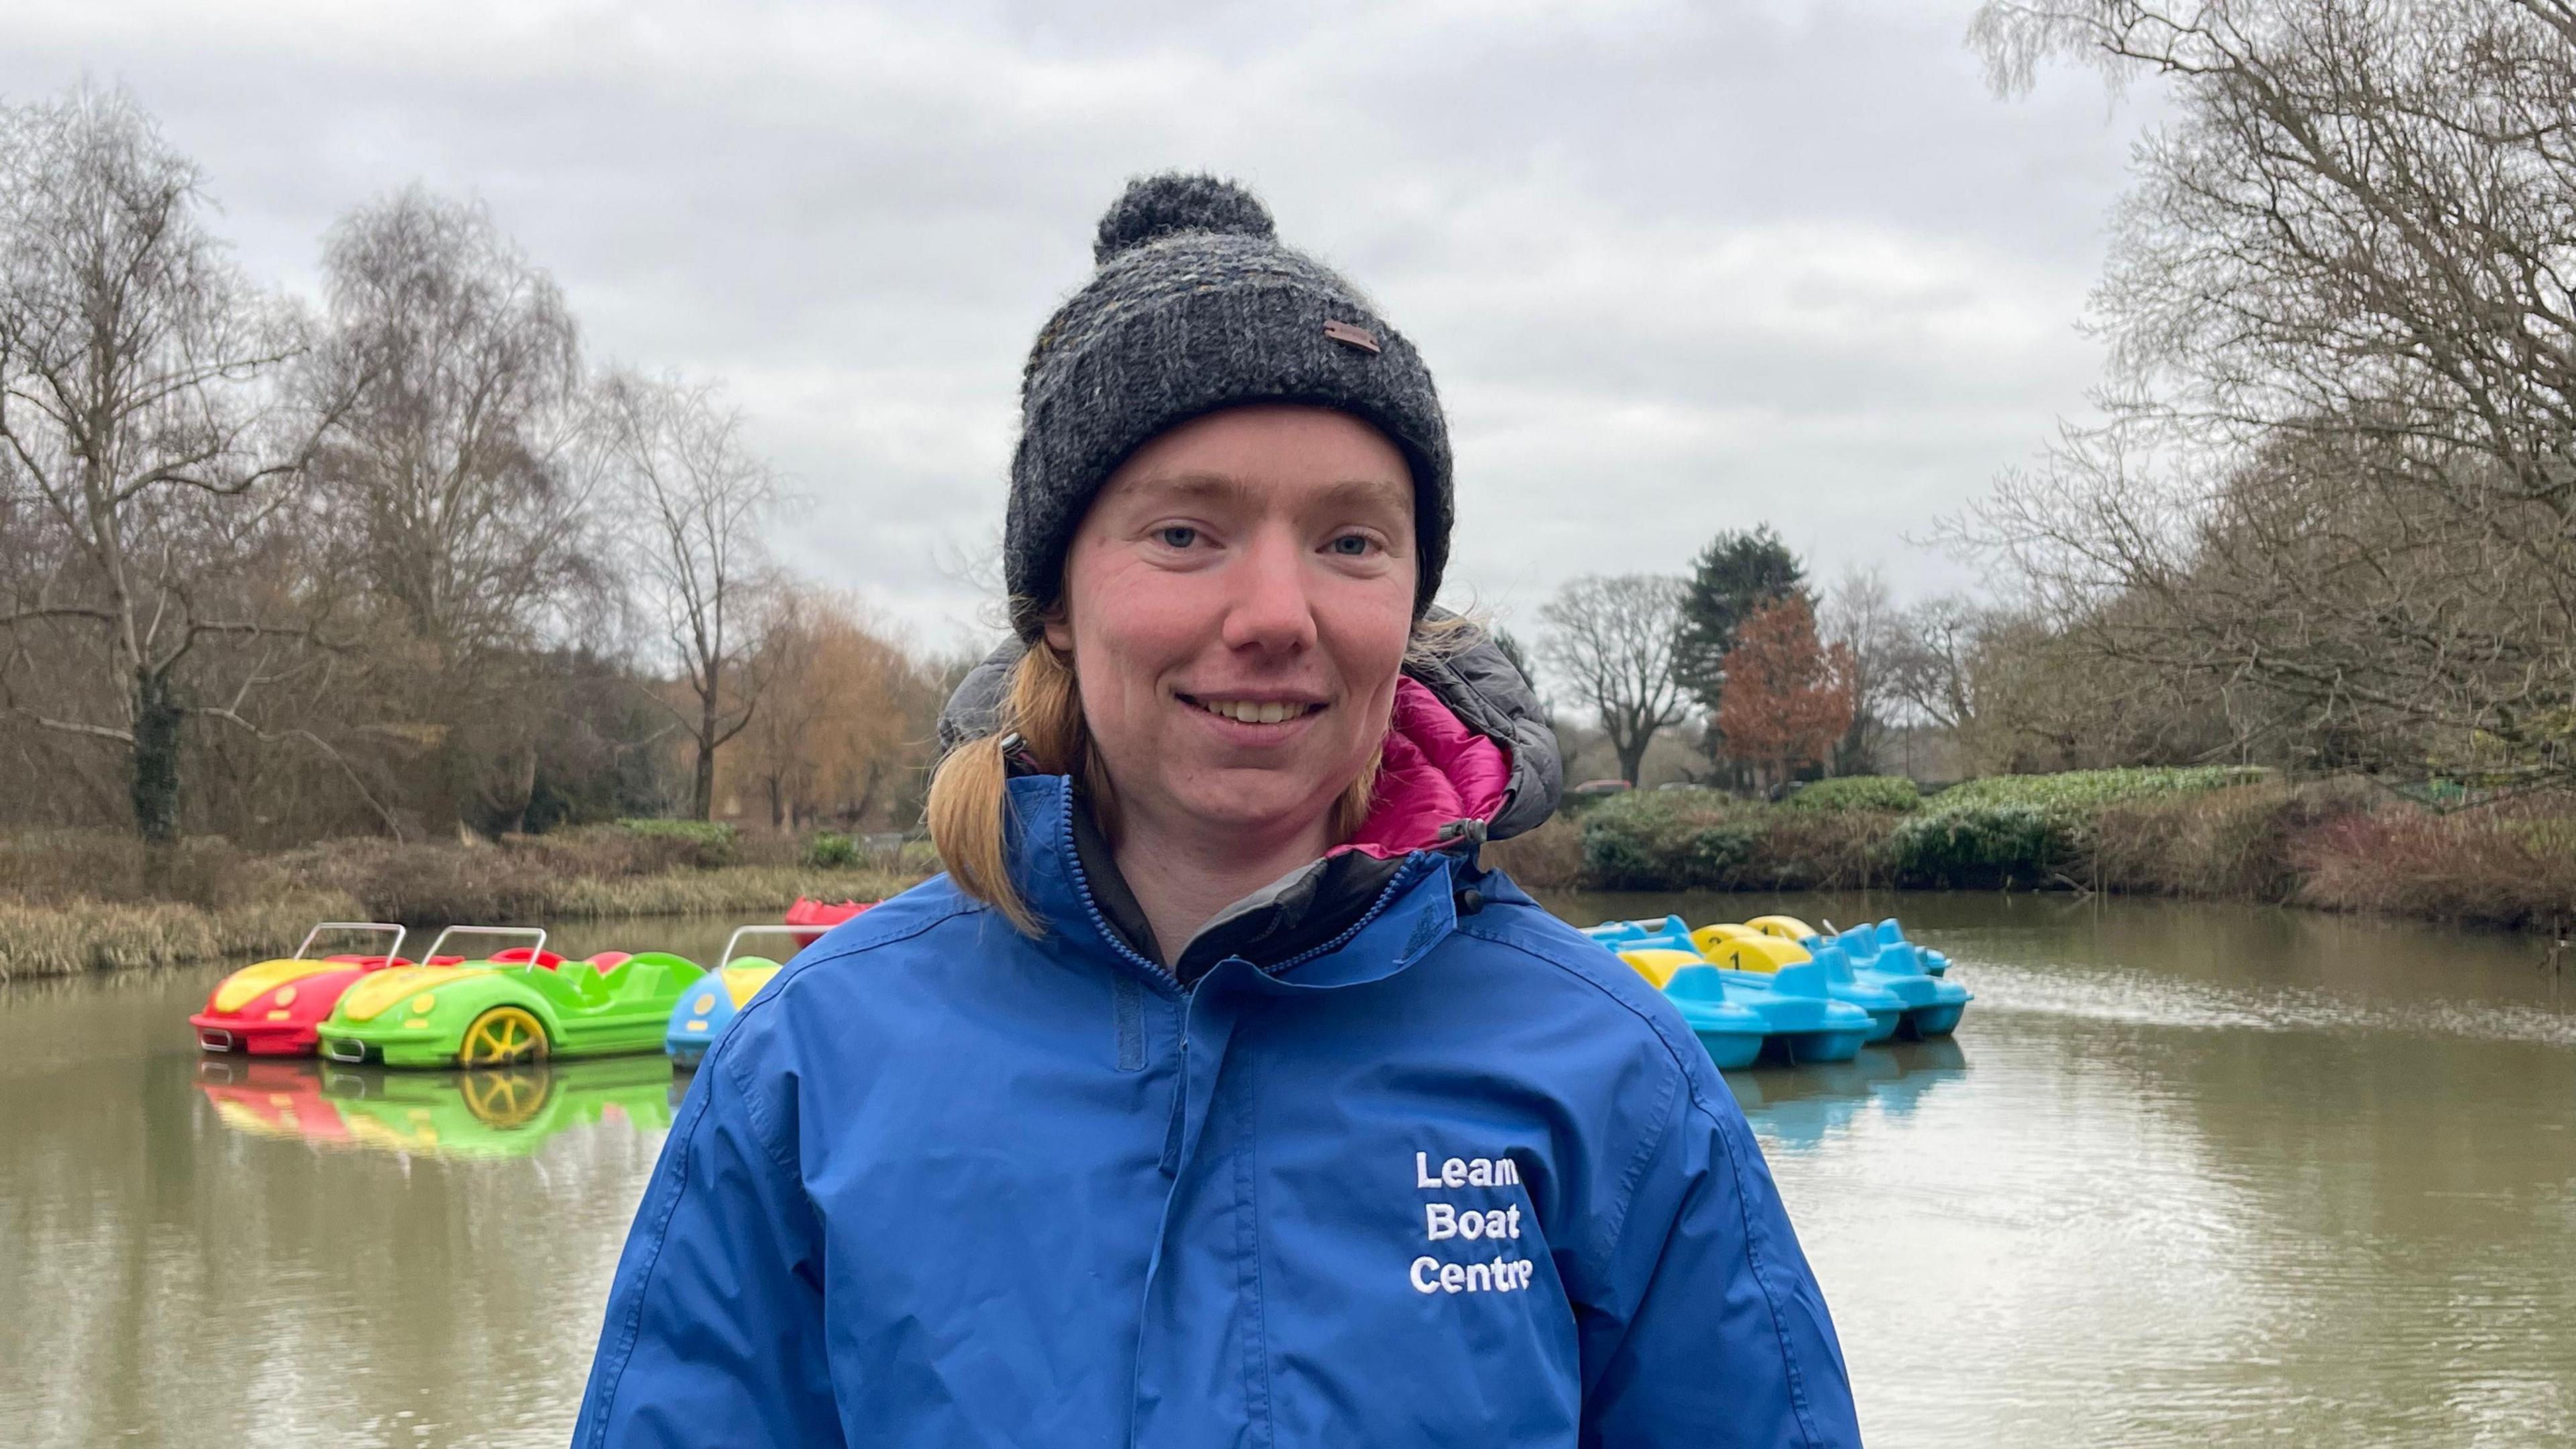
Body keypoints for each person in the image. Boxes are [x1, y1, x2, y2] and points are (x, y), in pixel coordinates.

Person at [572, 172, 1861, 1448]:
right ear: (1057, 602)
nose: (1274, 618)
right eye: (1186, 533)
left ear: (1412, 600)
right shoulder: (806, 1072)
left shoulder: (1619, 1080)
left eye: (1352, 541)